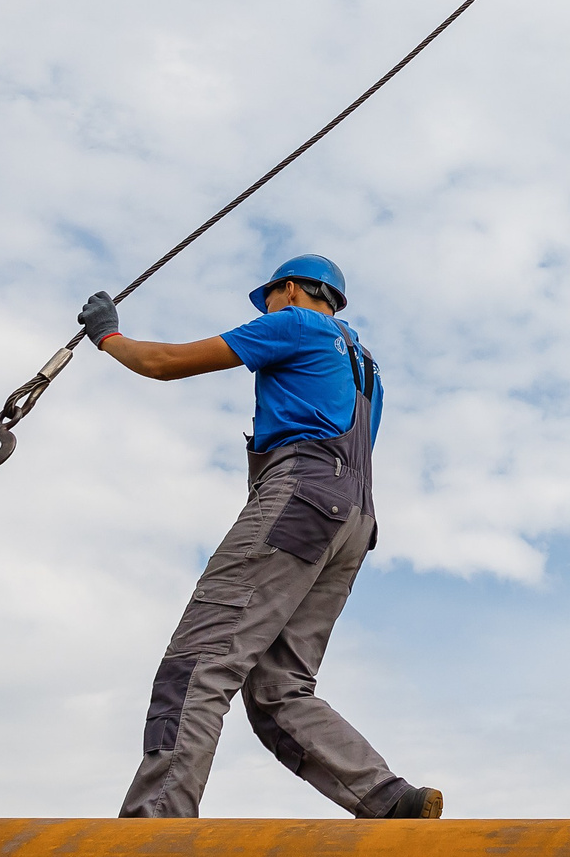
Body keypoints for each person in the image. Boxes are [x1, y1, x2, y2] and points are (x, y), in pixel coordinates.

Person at [78, 255, 442, 821]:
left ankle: (154, 831)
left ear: (290, 290)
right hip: (352, 524)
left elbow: (160, 362)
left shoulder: (296, 323)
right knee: (278, 689)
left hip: (299, 501)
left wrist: (107, 334)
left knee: (197, 664)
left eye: (268, 299)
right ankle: (388, 800)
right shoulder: (367, 367)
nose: (264, 311)